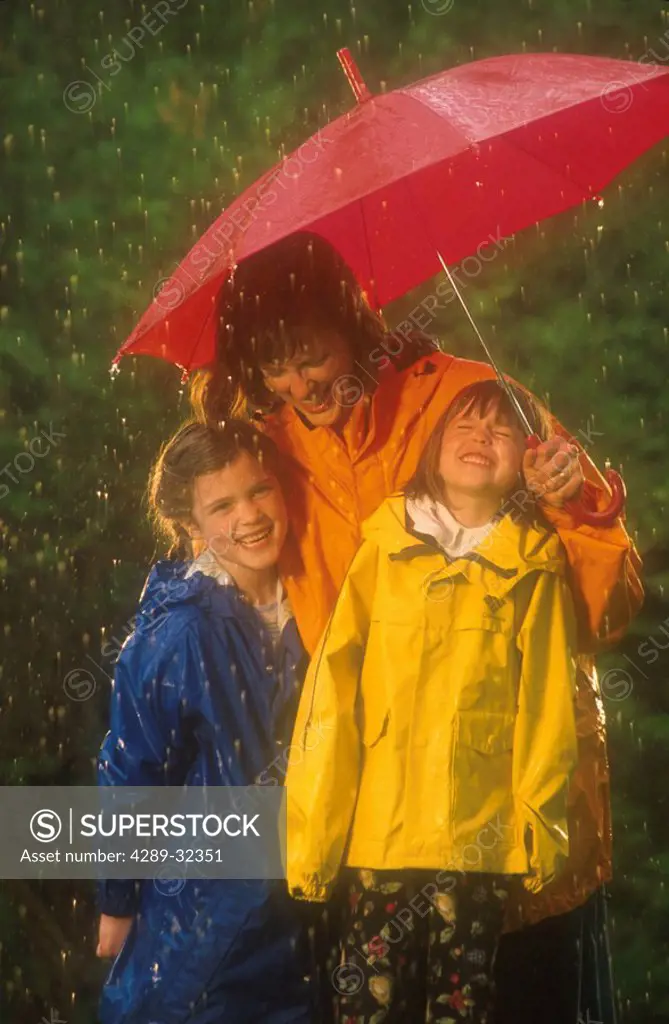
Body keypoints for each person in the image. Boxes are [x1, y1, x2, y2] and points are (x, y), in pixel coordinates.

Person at [190, 231, 642, 1023]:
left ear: (352, 325)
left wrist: (571, 502)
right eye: (272, 365)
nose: (297, 383)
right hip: (381, 840)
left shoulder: (473, 402)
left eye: (309, 355)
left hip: (516, 813)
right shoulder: (273, 452)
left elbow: (607, 608)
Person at [285, 379, 580, 1023]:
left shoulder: (534, 563)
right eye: (465, 426)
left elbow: (548, 706)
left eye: (502, 431)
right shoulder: (384, 547)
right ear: (432, 446)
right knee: (367, 1003)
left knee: (463, 1006)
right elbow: (330, 697)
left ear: (524, 460)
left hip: (478, 841)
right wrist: (314, 839)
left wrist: (540, 823)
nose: (482, 439)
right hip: (379, 838)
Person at [95, 419, 321, 1024]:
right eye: (222, 505)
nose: (249, 515)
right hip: (205, 920)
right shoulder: (179, 632)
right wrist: (117, 902)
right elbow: (132, 774)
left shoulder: (318, 599)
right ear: (190, 527)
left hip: (305, 910)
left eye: (260, 491)